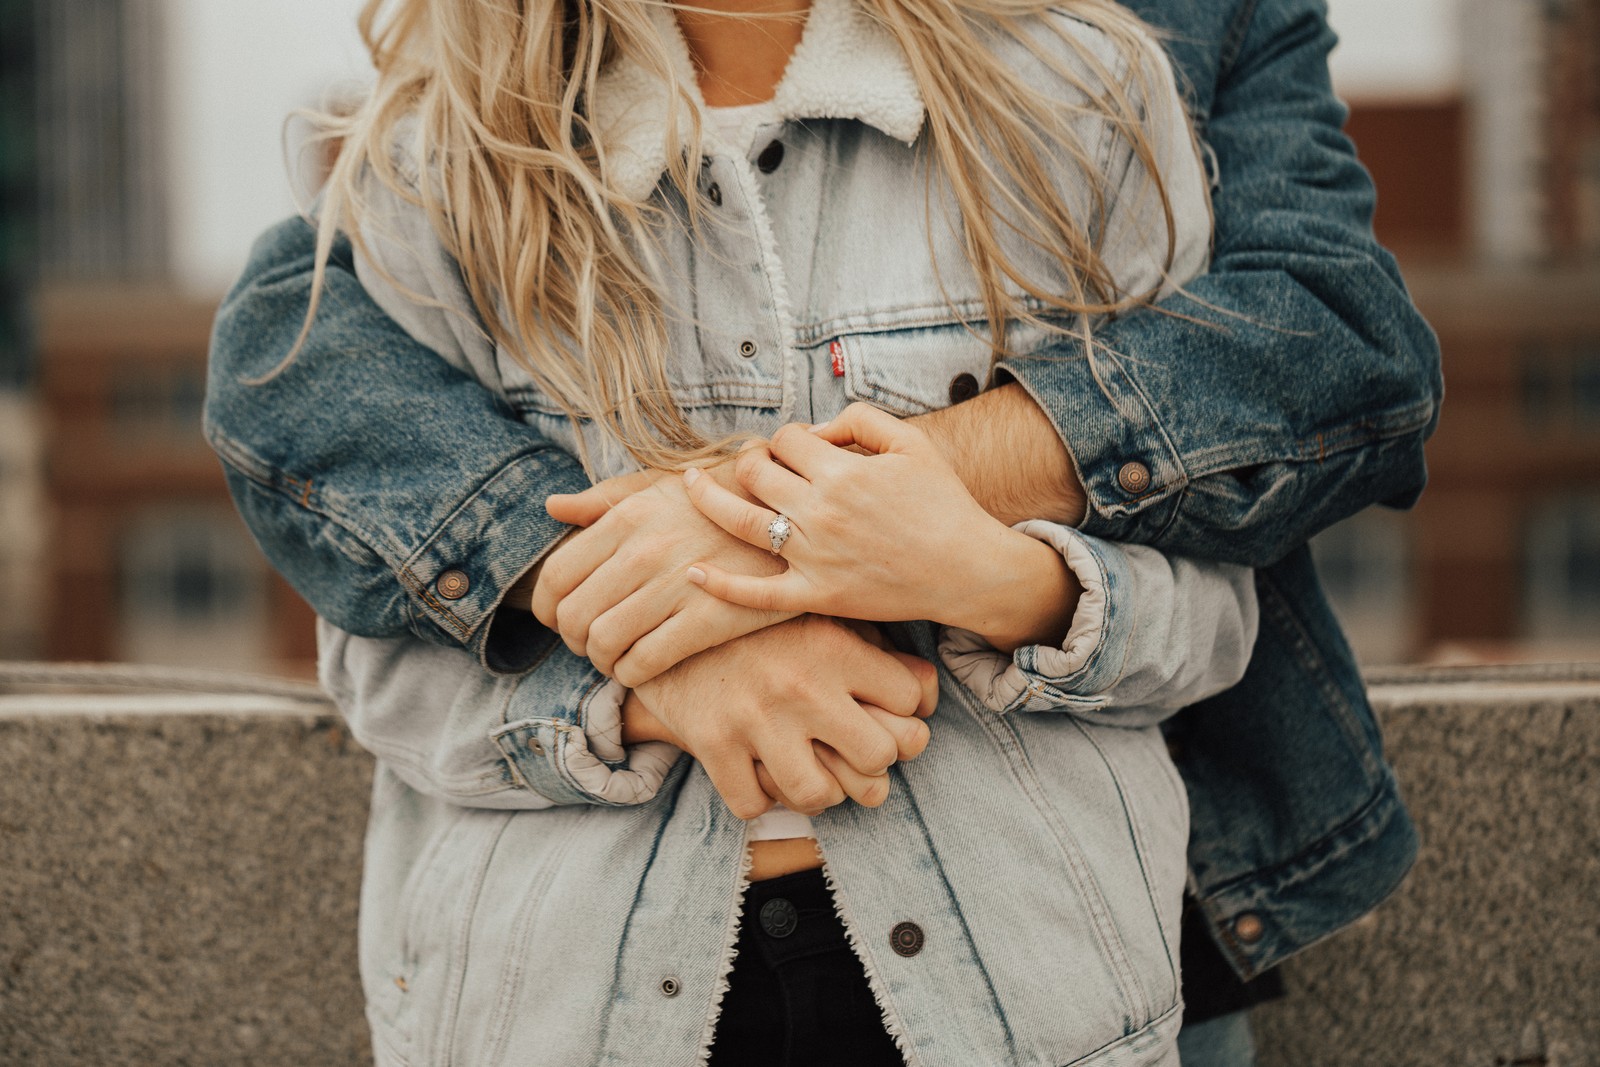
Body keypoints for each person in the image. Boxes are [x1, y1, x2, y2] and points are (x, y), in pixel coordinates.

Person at [204, 0, 1442, 1063]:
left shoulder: (1084, 99)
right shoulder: (441, 163)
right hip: (566, 1002)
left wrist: (981, 571)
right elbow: (373, 647)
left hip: (1027, 995)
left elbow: (1242, 548)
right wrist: (661, 677)